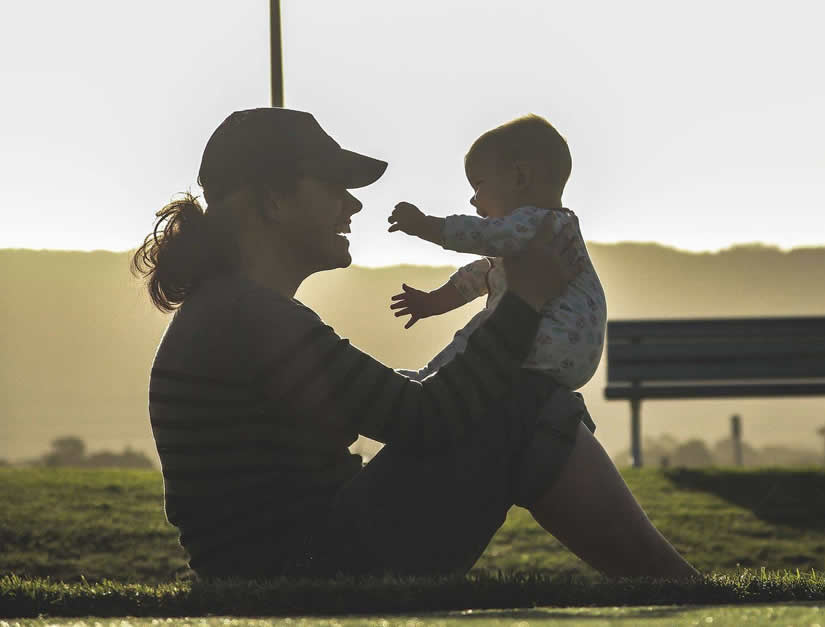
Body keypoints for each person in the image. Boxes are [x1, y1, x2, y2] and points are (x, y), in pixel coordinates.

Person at [132, 107, 697, 581]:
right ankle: (683, 592)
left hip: (293, 563)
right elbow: (426, 419)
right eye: (333, 187)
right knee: (530, 403)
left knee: (526, 400)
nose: (351, 206)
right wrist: (524, 301)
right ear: (271, 201)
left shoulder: (232, 312)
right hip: (307, 572)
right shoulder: (246, 317)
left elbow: (400, 407)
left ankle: (678, 588)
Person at [386, 115, 606, 399]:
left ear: (520, 178)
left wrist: (425, 225)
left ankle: (429, 382)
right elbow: (482, 275)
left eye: (478, 185)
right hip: (570, 356)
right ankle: (430, 379)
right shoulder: (549, 232)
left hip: (549, 339)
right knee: (487, 330)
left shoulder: (539, 223)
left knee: (481, 333)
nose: (473, 199)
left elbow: (482, 235)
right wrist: (433, 302)